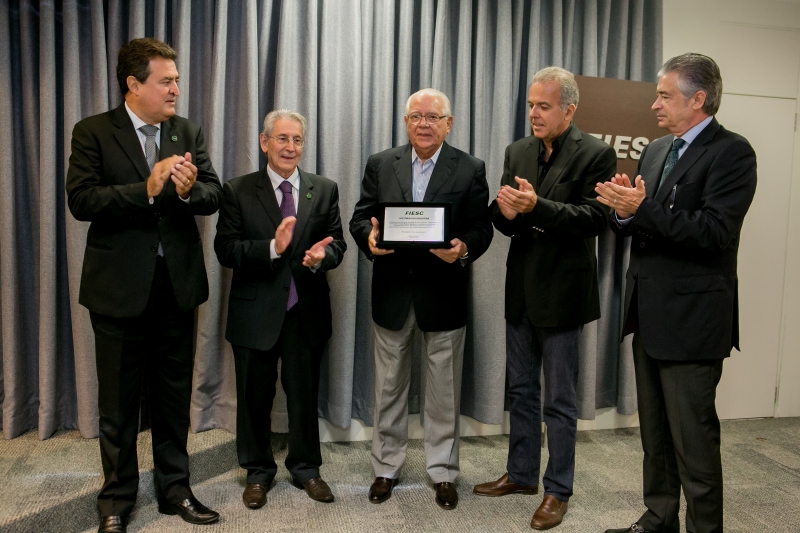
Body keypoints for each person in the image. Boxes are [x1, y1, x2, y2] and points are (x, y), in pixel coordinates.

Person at [65, 38, 222, 533]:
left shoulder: (186, 131)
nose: (177, 88)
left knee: (174, 398)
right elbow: (82, 201)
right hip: (117, 290)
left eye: (176, 79)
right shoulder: (92, 132)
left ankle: (176, 489)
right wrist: (147, 189)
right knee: (117, 402)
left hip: (175, 288)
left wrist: (188, 189)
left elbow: (213, 194)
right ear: (134, 85)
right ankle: (115, 500)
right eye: (166, 80)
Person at [596, 53, 757, 533]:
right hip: (648, 314)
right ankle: (658, 518)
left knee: (694, 442)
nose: (655, 105)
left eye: (665, 95)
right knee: (656, 436)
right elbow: (640, 224)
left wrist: (641, 210)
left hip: (693, 322)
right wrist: (624, 212)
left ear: (699, 99)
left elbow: (714, 232)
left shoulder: (733, 152)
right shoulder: (657, 150)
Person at [473, 67, 616, 530]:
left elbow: (594, 218)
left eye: (543, 106)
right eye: (531, 104)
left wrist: (538, 208)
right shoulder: (518, 150)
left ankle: (557, 490)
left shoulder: (596, 153)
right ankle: (521, 475)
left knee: (559, 398)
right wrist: (504, 210)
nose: (533, 113)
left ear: (568, 110)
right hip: (521, 290)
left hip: (565, 293)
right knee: (520, 390)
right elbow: (505, 218)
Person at [349, 88, 493, 510]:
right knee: (388, 387)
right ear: (406, 122)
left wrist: (463, 248)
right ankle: (385, 468)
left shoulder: (470, 168)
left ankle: (443, 473)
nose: (424, 124)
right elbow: (361, 216)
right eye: (416, 116)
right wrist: (369, 237)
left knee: (444, 392)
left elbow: (481, 228)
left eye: (433, 116)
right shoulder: (381, 163)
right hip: (392, 293)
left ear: (449, 123)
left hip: (443, 295)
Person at [215, 109, 346, 509]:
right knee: (254, 396)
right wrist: (273, 248)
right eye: (283, 139)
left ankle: (306, 468)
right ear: (264, 142)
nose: (291, 147)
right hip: (255, 313)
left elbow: (337, 243)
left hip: (305, 311)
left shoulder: (323, 189)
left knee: (304, 395)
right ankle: (258, 472)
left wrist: (322, 257)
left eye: (298, 140)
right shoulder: (237, 189)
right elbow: (226, 249)